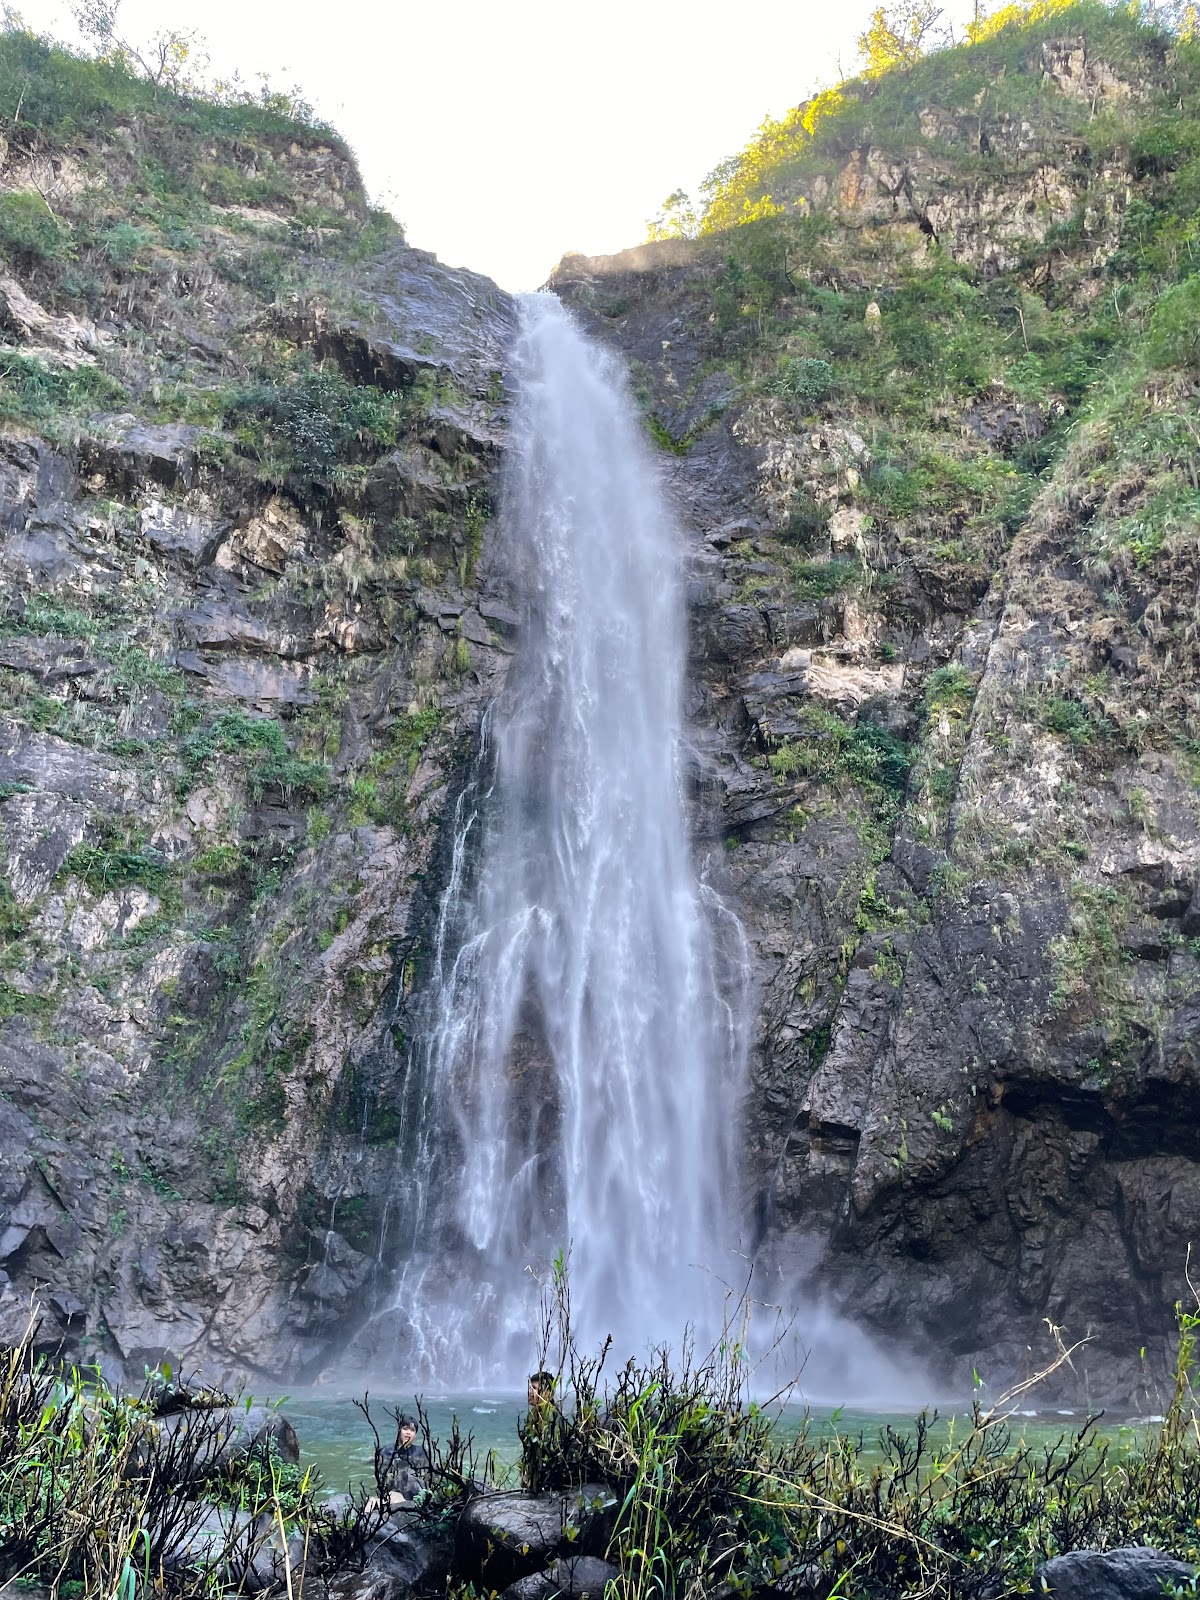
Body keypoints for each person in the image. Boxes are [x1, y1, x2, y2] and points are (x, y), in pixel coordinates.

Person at [372, 1414, 430, 1509]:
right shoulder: (387, 1450)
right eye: (405, 1429)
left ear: (415, 1435)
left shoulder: (420, 1452)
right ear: (399, 1431)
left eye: (412, 1430)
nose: (408, 1433)